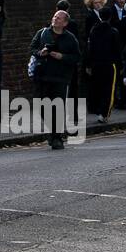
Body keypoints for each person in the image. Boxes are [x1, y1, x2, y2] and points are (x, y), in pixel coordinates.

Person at [28, 9, 81, 149]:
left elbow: (77, 57)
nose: (55, 19)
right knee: (42, 107)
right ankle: (52, 133)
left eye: (59, 18)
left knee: (57, 108)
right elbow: (32, 49)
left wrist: (62, 57)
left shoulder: (70, 38)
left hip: (60, 78)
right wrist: (40, 52)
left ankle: (56, 138)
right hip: (42, 76)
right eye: (54, 17)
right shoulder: (42, 33)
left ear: (65, 23)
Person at [85, 6, 121, 123]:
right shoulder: (113, 31)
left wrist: (88, 64)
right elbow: (117, 50)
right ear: (110, 17)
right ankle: (104, 112)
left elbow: (89, 49)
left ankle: (97, 110)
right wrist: (120, 65)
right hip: (110, 64)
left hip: (96, 64)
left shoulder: (93, 30)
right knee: (108, 89)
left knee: (97, 87)